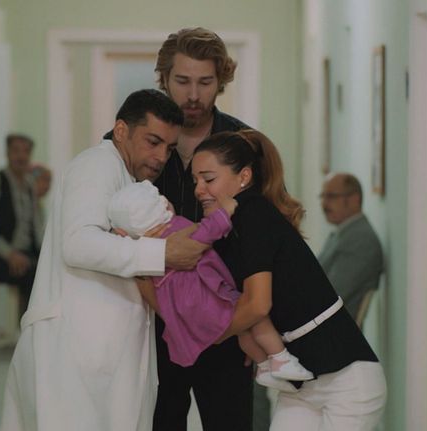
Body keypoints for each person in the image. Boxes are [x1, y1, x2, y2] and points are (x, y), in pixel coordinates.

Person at [0, 89, 207, 431]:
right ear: (121, 130)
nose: (160, 157)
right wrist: (163, 253)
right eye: (153, 142)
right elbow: (78, 243)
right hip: (74, 351)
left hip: (105, 351)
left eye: (169, 148)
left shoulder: (127, 178)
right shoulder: (96, 164)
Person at [191, 130, 387, 430]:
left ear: (244, 177)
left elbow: (257, 305)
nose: (199, 189)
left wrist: (212, 335)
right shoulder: (229, 228)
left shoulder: (253, 214)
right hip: (302, 386)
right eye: (195, 181)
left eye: (208, 179)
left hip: (346, 381)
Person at [152, 27, 268, 431]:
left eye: (205, 82)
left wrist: (255, 323)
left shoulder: (244, 145)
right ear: (164, 78)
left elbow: (264, 237)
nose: (193, 95)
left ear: (221, 81)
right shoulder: (141, 144)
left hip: (226, 320)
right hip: (155, 322)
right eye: (182, 81)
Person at [110, 181, 314, 390]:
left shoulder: (145, 249)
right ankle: (280, 359)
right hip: (205, 301)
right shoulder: (175, 230)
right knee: (256, 317)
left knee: (243, 331)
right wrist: (226, 211)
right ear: (163, 208)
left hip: (186, 315)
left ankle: (263, 366)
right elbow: (206, 232)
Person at [0, 134, 46, 319]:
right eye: (16, 151)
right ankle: (27, 327)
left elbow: (36, 225)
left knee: (52, 272)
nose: (21, 156)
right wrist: (9, 253)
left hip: (27, 253)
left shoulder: (30, 185)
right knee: (35, 275)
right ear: (7, 153)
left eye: (26, 152)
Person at [317, 173, 384, 324]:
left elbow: (329, 296)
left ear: (354, 199)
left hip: (330, 329)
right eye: (323, 196)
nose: (324, 204)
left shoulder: (361, 240)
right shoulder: (344, 233)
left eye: (331, 196)